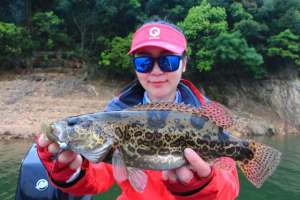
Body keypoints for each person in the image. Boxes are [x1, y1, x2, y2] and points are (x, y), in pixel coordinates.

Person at [37, 20, 239, 200]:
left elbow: (229, 190)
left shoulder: (205, 119)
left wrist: (203, 187)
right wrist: (70, 170)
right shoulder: (115, 116)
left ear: (184, 63)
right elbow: (98, 177)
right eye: (144, 62)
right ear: (135, 67)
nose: (156, 71)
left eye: (168, 61)